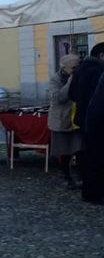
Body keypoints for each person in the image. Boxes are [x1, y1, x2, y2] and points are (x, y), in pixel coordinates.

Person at [69, 43, 104, 204]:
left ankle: (88, 192)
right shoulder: (98, 71)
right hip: (98, 119)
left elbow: (72, 94)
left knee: (89, 156)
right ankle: (96, 194)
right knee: (98, 158)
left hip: (84, 118)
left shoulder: (80, 69)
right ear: (101, 56)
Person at [48, 54, 82, 190]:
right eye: (73, 68)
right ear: (64, 68)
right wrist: (69, 83)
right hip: (61, 120)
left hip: (76, 119)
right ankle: (66, 177)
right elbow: (58, 98)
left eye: (78, 66)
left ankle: (81, 177)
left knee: (80, 149)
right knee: (64, 151)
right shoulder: (55, 80)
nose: (76, 70)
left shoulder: (78, 75)